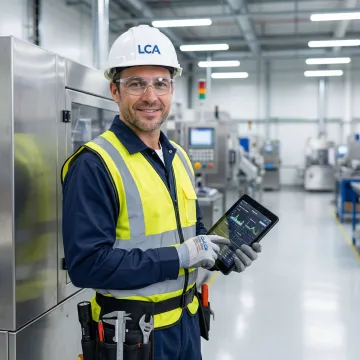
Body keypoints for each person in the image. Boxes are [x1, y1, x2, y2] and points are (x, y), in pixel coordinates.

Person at [61, 24, 261, 360]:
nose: (151, 96)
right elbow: (87, 265)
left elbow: (192, 233)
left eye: (160, 83)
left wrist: (223, 254)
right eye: (136, 84)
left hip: (186, 325)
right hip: (131, 337)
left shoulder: (179, 156)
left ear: (172, 89)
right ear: (115, 90)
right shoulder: (95, 164)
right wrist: (180, 257)